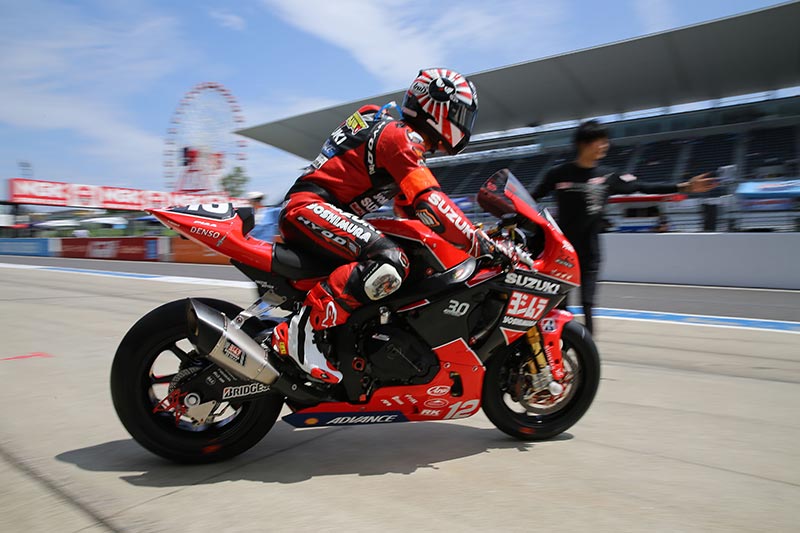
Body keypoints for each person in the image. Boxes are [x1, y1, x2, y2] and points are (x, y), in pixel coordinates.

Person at [272, 68, 491, 384]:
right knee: (390, 261)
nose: (463, 124)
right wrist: (475, 239)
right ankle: (302, 333)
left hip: (316, 210)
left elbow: (411, 210)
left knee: (409, 257)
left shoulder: (390, 130)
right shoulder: (400, 136)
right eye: (459, 115)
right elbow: (429, 201)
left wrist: (459, 239)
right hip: (309, 207)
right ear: (438, 108)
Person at [531, 120, 718, 334]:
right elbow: (531, 197)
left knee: (588, 304)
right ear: (584, 143)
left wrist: (684, 187)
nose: (605, 146)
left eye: (606, 141)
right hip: (561, 251)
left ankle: (588, 349)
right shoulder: (558, 173)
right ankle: (557, 347)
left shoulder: (609, 176)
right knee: (560, 303)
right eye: (600, 141)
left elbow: (643, 186)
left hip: (590, 252)